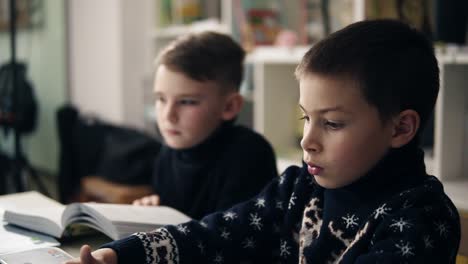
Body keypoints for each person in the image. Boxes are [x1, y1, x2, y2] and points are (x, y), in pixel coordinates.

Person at [66, 19, 461, 264]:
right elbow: (216, 234)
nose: (308, 141)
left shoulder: (419, 220)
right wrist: (121, 253)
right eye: (306, 118)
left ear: (400, 129)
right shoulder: (298, 188)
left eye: (333, 123)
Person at [80, 31, 278, 220]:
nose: (168, 115)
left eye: (187, 102)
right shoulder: (168, 154)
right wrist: (154, 213)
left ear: (229, 106)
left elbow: (226, 242)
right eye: (161, 99)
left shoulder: (250, 155)